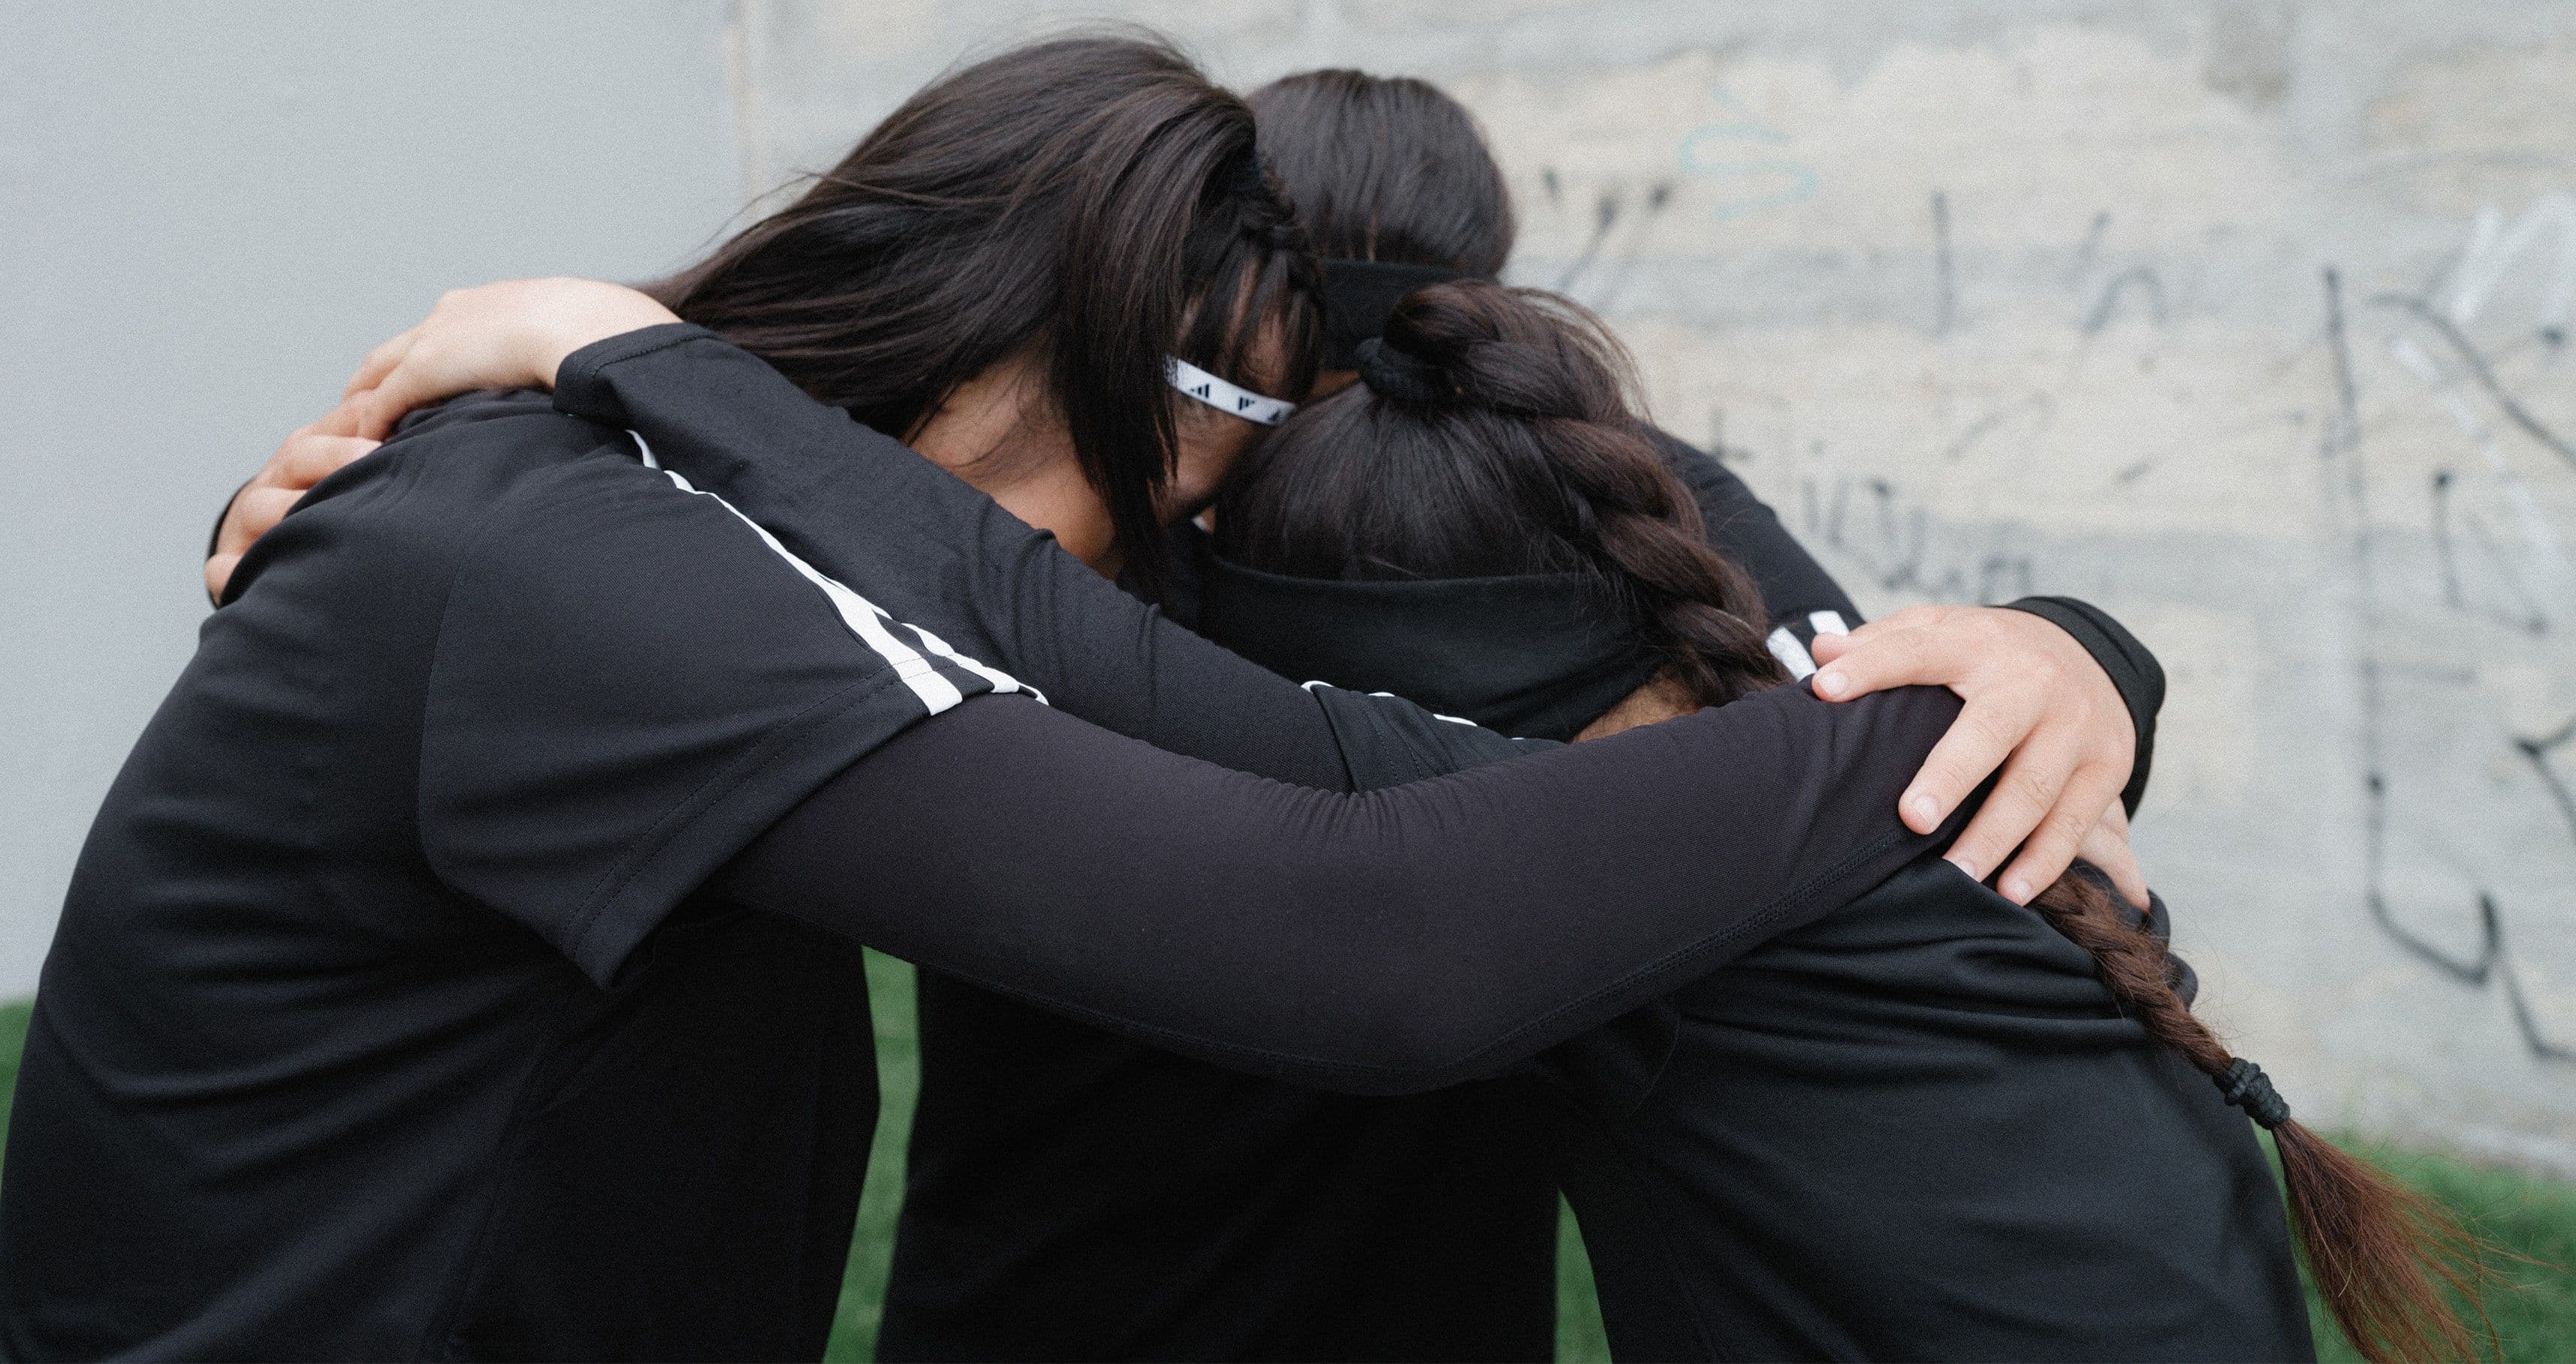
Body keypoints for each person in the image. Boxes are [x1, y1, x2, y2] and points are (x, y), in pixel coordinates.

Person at [0, 37, 2141, 1364]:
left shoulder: (657, 504)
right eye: (1145, 452)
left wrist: (2057, 654)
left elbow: (1684, 573)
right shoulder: (571, 562)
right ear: (970, 305)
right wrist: (1872, 755)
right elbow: (1365, 931)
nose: (1123, 554)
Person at [469, 280, 2485, 1364]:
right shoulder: (1846, 714)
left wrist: (631, 355)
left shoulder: (1565, 830)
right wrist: (2084, 643)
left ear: (1405, 669)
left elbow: (1040, 631)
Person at [874, 68, 2146, 1363]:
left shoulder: (1543, 505)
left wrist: (2066, 651)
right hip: (1072, 1290)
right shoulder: (1091, 576)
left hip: (1348, 1291)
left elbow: (1914, 758)